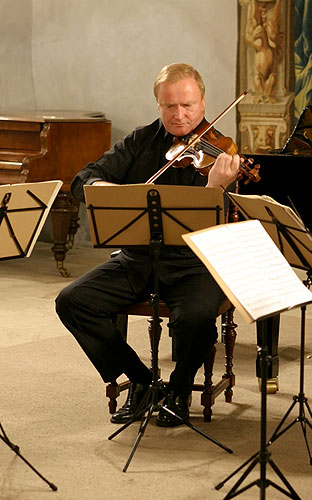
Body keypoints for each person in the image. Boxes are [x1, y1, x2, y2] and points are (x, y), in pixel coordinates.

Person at [55, 63, 240, 427]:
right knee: (73, 301)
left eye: (187, 105)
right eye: (169, 106)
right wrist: (103, 189)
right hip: (137, 259)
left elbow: (231, 225)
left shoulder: (223, 154)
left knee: (197, 317)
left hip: (194, 265)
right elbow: (83, 179)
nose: (179, 115)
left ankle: (180, 390)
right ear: (158, 105)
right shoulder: (140, 141)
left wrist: (215, 188)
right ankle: (143, 382)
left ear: (203, 102)